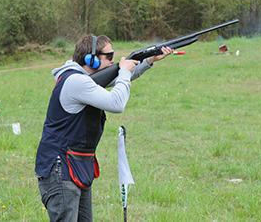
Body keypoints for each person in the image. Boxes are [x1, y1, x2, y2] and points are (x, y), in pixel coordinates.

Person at [35, 34, 172, 221]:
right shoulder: (77, 81)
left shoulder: (84, 79)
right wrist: (123, 72)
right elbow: (117, 103)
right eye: (109, 56)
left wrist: (148, 60)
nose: (114, 60)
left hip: (75, 164)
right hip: (61, 168)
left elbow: (119, 79)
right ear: (90, 59)